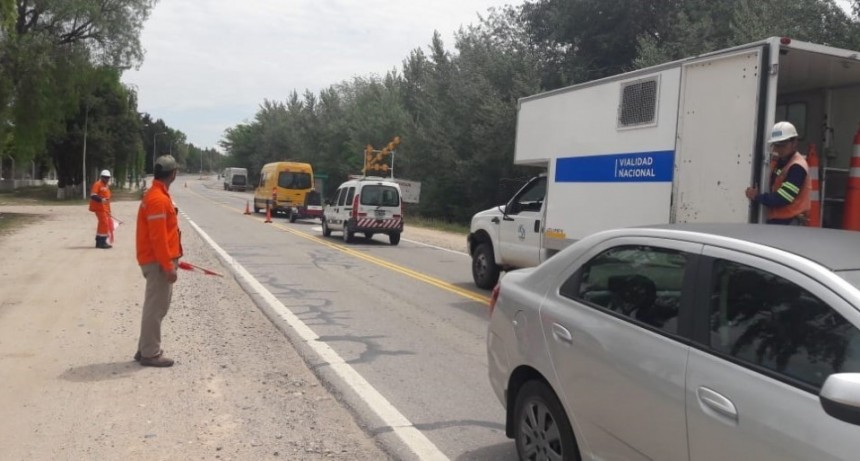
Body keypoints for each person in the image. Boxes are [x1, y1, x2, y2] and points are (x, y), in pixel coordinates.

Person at [134, 155, 182, 367]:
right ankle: (150, 353)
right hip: (157, 262)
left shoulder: (157, 196)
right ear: (173, 174)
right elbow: (158, 238)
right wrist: (168, 265)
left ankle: (144, 347)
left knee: (155, 306)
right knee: (156, 307)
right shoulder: (158, 199)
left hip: (156, 260)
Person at [745, 121, 811, 225]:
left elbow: (783, 198)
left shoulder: (797, 167)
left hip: (790, 222)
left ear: (794, 143)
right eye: (776, 145)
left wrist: (757, 196)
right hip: (781, 221)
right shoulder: (782, 162)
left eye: (782, 145)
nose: (778, 149)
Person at [89, 170, 113, 249]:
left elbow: (107, 200)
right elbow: (93, 195)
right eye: (105, 177)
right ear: (101, 177)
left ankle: (99, 241)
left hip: (104, 209)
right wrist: (101, 200)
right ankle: (102, 242)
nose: (107, 179)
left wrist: (109, 211)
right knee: (104, 224)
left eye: (108, 178)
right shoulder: (97, 184)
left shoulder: (106, 186)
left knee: (102, 224)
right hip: (99, 208)